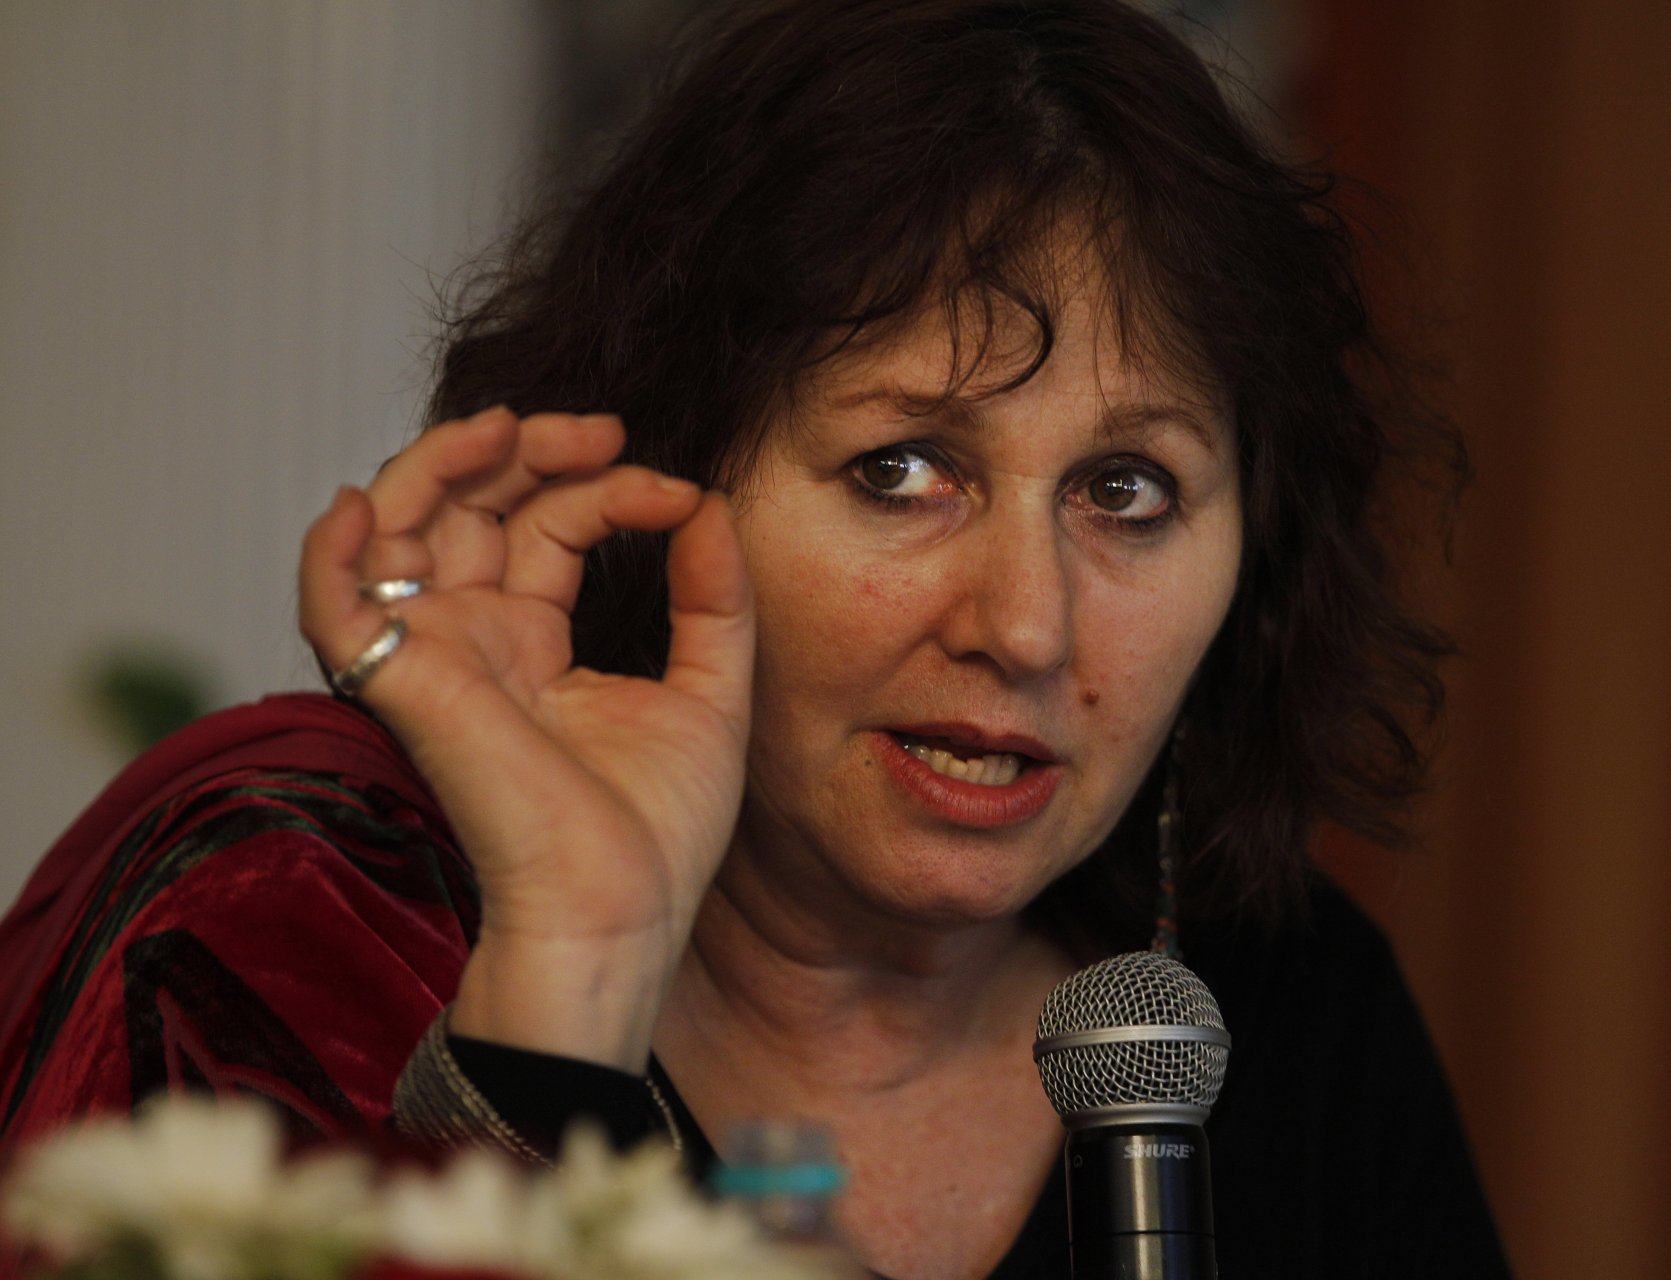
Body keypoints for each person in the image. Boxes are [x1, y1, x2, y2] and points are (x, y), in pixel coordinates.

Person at [0, 0, 1509, 1275]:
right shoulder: (292, 917)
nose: (1026, 626)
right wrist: (565, 989)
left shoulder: (1294, 1014)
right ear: (670, 479)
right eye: (903, 470)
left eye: (1127, 491)